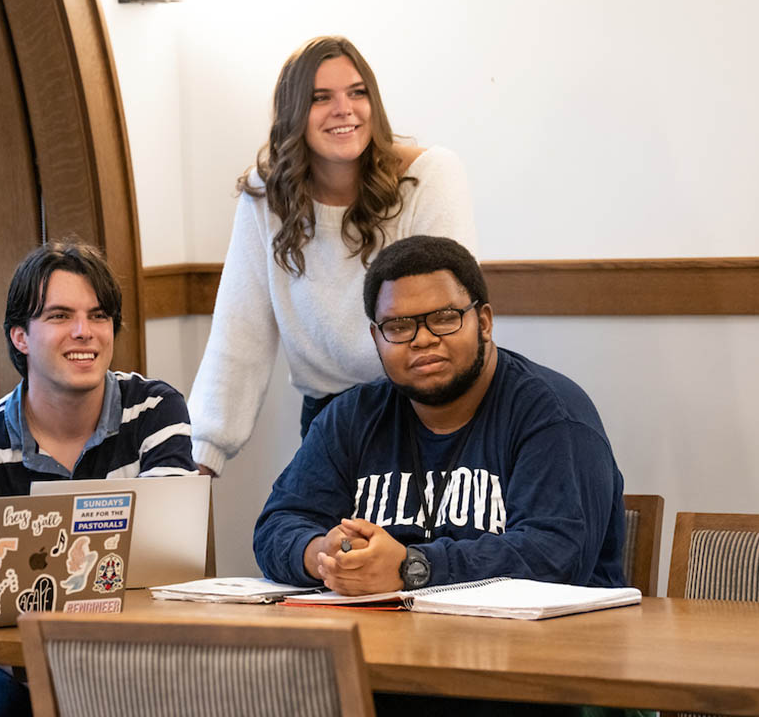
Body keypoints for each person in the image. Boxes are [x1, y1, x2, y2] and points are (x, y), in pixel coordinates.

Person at [254, 236, 626, 717]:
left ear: (484, 321)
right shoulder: (351, 418)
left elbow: (556, 555)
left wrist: (410, 567)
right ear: (376, 338)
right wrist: (324, 556)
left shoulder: (550, 414)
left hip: (541, 682)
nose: (423, 339)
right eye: (399, 326)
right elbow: (277, 524)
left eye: (445, 318)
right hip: (386, 672)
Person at [188, 35, 478, 477]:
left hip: (425, 411)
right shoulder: (266, 198)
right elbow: (237, 337)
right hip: (328, 421)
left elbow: (452, 320)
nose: (344, 109)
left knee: (415, 550)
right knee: (310, 543)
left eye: (357, 93)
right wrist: (198, 462)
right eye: (321, 98)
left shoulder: (430, 176)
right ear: (293, 115)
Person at [0, 239, 197, 717]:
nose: (85, 332)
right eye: (59, 316)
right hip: (10, 662)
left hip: (129, 651)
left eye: (98, 316)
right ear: (20, 336)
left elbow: (166, 559)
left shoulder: (156, 410)